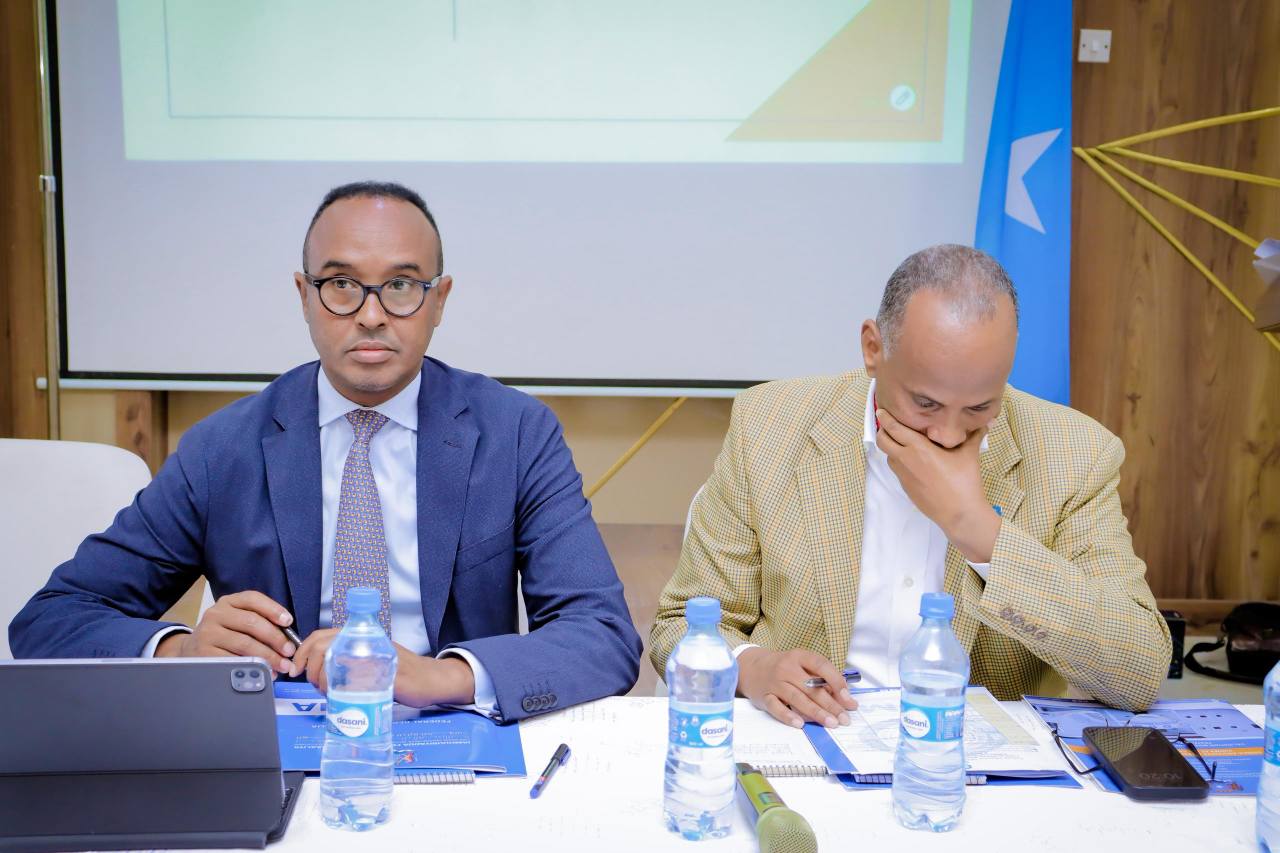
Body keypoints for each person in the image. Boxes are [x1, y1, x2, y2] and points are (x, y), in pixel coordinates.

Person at [11, 181, 641, 722]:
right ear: (304, 294)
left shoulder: (515, 433)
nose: (371, 315)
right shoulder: (223, 448)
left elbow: (603, 635)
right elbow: (53, 618)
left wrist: (440, 675)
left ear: (439, 300)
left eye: (401, 285)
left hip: (453, 730)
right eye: (341, 284)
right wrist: (182, 652)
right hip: (277, 735)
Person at [650, 244, 1170, 728]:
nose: (947, 435)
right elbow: (676, 625)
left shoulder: (1074, 455)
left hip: (970, 762)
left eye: (979, 408)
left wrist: (978, 530)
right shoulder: (769, 426)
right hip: (810, 742)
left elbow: (1141, 670)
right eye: (925, 404)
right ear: (873, 348)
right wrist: (751, 667)